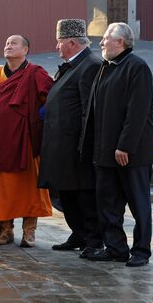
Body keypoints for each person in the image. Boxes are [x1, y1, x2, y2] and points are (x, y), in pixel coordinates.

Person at [82, 22, 153, 267]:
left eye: (105, 39)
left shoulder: (137, 67)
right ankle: (115, 248)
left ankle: (141, 251)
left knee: (138, 204)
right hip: (105, 153)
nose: (100, 43)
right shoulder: (106, 67)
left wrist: (124, 146)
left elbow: (137, 112)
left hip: (130, 153)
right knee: (107, 204)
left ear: (120, 42)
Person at [0, 35, 53, 247]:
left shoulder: (36, 73)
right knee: (2, 188)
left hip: (26, 141)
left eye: (14, 43)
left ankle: (29, 232)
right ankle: (6, 230)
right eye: (7, 43)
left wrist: (40, 116)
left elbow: (53, 96)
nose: (8, 46)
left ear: (26, 50)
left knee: (29, 187)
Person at [38, 19, 103, 258]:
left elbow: (89, 110)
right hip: (61, 147)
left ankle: (94, 240)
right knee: (67, 193)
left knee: (83, 195)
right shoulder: (72, 65)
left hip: (75, 147)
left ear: (72, 42)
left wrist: (83, 146)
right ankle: (79, 234)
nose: (56, 47)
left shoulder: (90, 65)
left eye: (59, 42)